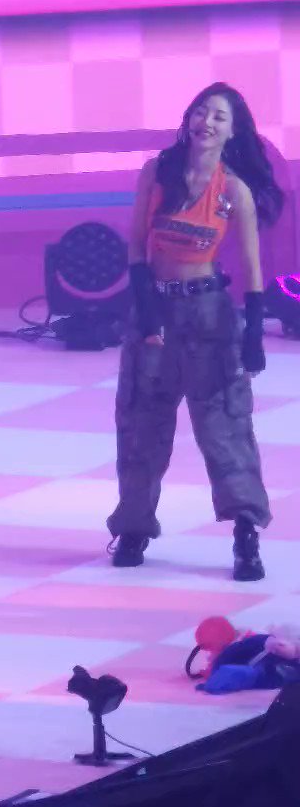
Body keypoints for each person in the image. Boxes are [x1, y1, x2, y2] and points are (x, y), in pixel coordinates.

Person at [107, 84, 284, 582]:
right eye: (201, 112)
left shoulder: (233, 190)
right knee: (141, 422)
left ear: (232, 132)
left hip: (210, 317)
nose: (207, 122)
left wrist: (252, 337)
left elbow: (252, 268)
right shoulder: (156, 173)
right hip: (156, 310)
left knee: (225, 427)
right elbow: (136, 247)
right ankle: (134, 527)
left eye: (219, 117)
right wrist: (147, 313)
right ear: (188, 119)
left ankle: (245, 532)